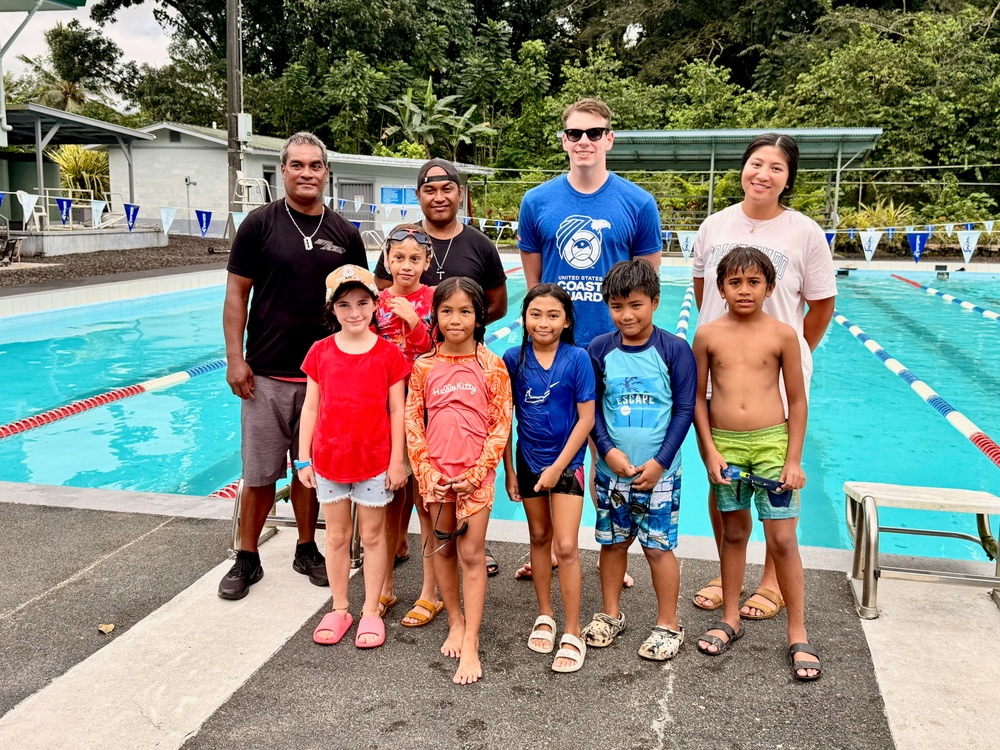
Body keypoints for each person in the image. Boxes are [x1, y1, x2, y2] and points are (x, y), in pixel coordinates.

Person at [516, 97, 664, 584]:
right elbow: (537, 287)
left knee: (605, 448)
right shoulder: (537, 201)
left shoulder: (637, 202)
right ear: (563, 140)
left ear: (610, 139)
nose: (585, 141)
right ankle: (554, 546)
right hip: (559, 352)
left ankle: (609, 553)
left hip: (615, 350)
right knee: (549, 438)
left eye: (595, 133)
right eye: (575, 133)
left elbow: (646, 285)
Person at [689, 133, 836, 619]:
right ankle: (726, 569)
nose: (763, 174)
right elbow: (701, 288)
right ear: (743, 168)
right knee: (722, 480)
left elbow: (821, 304)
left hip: (775, 374)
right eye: (756, 163)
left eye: (776, 167)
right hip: (719, 370)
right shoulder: (715, 225)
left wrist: (789, 353)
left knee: (776, 489)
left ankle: (772, 580)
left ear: (788, 177)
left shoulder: (805, 232)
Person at [220, 132, 369, 600]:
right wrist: (234, 359)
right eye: (297, 165)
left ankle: (307, 547)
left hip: (326, 377)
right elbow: (235, 295)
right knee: (261, 473)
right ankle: (247, 557)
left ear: (327, 172)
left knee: (313, 469)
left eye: (315, 165)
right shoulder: (259, 225)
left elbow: (362, 304)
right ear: (282, 171)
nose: (307, 173)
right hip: (264, 372)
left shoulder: (345, 233)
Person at [375, 157, 509, 578]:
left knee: (460, 456)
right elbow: (383, 298)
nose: (439, 196)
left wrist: (457, 328)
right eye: (429, 190)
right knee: (408, 459)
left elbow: (498, 302)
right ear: (418, 196)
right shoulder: (403, 242)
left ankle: (471, 544)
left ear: (459, 193)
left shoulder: (479, 245)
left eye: (447, 188)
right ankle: (397, 542)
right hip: (407, 379)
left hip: (462, 373)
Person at [691, 247, 820, 681]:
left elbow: (798, 400)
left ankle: (797, 631)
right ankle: (731, 617)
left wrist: (794, 458)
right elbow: (697, 399)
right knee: (733, 533)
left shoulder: (784, 335)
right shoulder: (707, 335)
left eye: (753, 282)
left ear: (769, 286)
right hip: (726, 444)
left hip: (771, 443)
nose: (744, 290)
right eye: (734, 283)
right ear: (720, 288)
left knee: (782, 539)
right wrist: (708, 450)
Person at [581, 260, 696, 661]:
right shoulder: (599, 350)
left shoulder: (674, 350)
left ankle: (668, 623)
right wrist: (607, 452)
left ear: (655, 302)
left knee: (658, 549)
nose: (626, 315)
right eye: (616, 306)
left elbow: (684, 410)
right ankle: (610, 614)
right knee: (612, 545)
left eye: (635, 305)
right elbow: (591, 409)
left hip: (659, 475)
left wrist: (661, 462)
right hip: (612, 473)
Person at [405, 277, 513, 684]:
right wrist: (425, 470)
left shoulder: (492, 366)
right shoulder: (424, 366)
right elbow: (413, 420)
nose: (455, 319)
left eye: (464, 311)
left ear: (478, 316)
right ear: (435, 315)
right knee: (441, 552)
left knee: (471, 554)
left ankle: (471, 640)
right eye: (446, 311)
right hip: (435, 475)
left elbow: (501, 424)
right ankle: (454, 619)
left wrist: (478, 472)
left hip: (475, 478)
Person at [296, 266, 409, 647]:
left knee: (375, 537)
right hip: (329, 460)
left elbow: (398, 411)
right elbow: (311, 408)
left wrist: (398, 461)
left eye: (363, 302)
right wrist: (302, 457)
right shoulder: (320, 352)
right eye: (344, 305)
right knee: (337, 537)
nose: (355, 312)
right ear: (332, 309)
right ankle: (340, 606)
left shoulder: (389, 354)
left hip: (375, 461)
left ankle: (372, 610)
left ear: (376, 304)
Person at [502, 284, 595, 673]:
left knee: (567, 545)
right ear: (523, 318)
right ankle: (545, 613)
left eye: (553, 315)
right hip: (527, 460)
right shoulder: (513, 358)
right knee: (539, 538)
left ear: (567, 320)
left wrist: (559, 465)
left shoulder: (578, 359)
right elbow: (503, 418)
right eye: (535, 314)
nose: (543, 322)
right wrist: (508, 470)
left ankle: (572, 629)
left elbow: (586, 418)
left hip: (567, 465)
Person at [372, 224, 440, 626]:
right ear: (386, 260)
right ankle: (384, 588)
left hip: (428, 409)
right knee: (386, 496)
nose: (406, 266)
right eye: (398, 258)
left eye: (415, 259)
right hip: (385, 410)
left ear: (428, 262)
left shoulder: (436, 299)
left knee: (425, 500)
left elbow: (439, 348)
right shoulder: (375, 302)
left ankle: (430, 591)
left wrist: (414, 322)